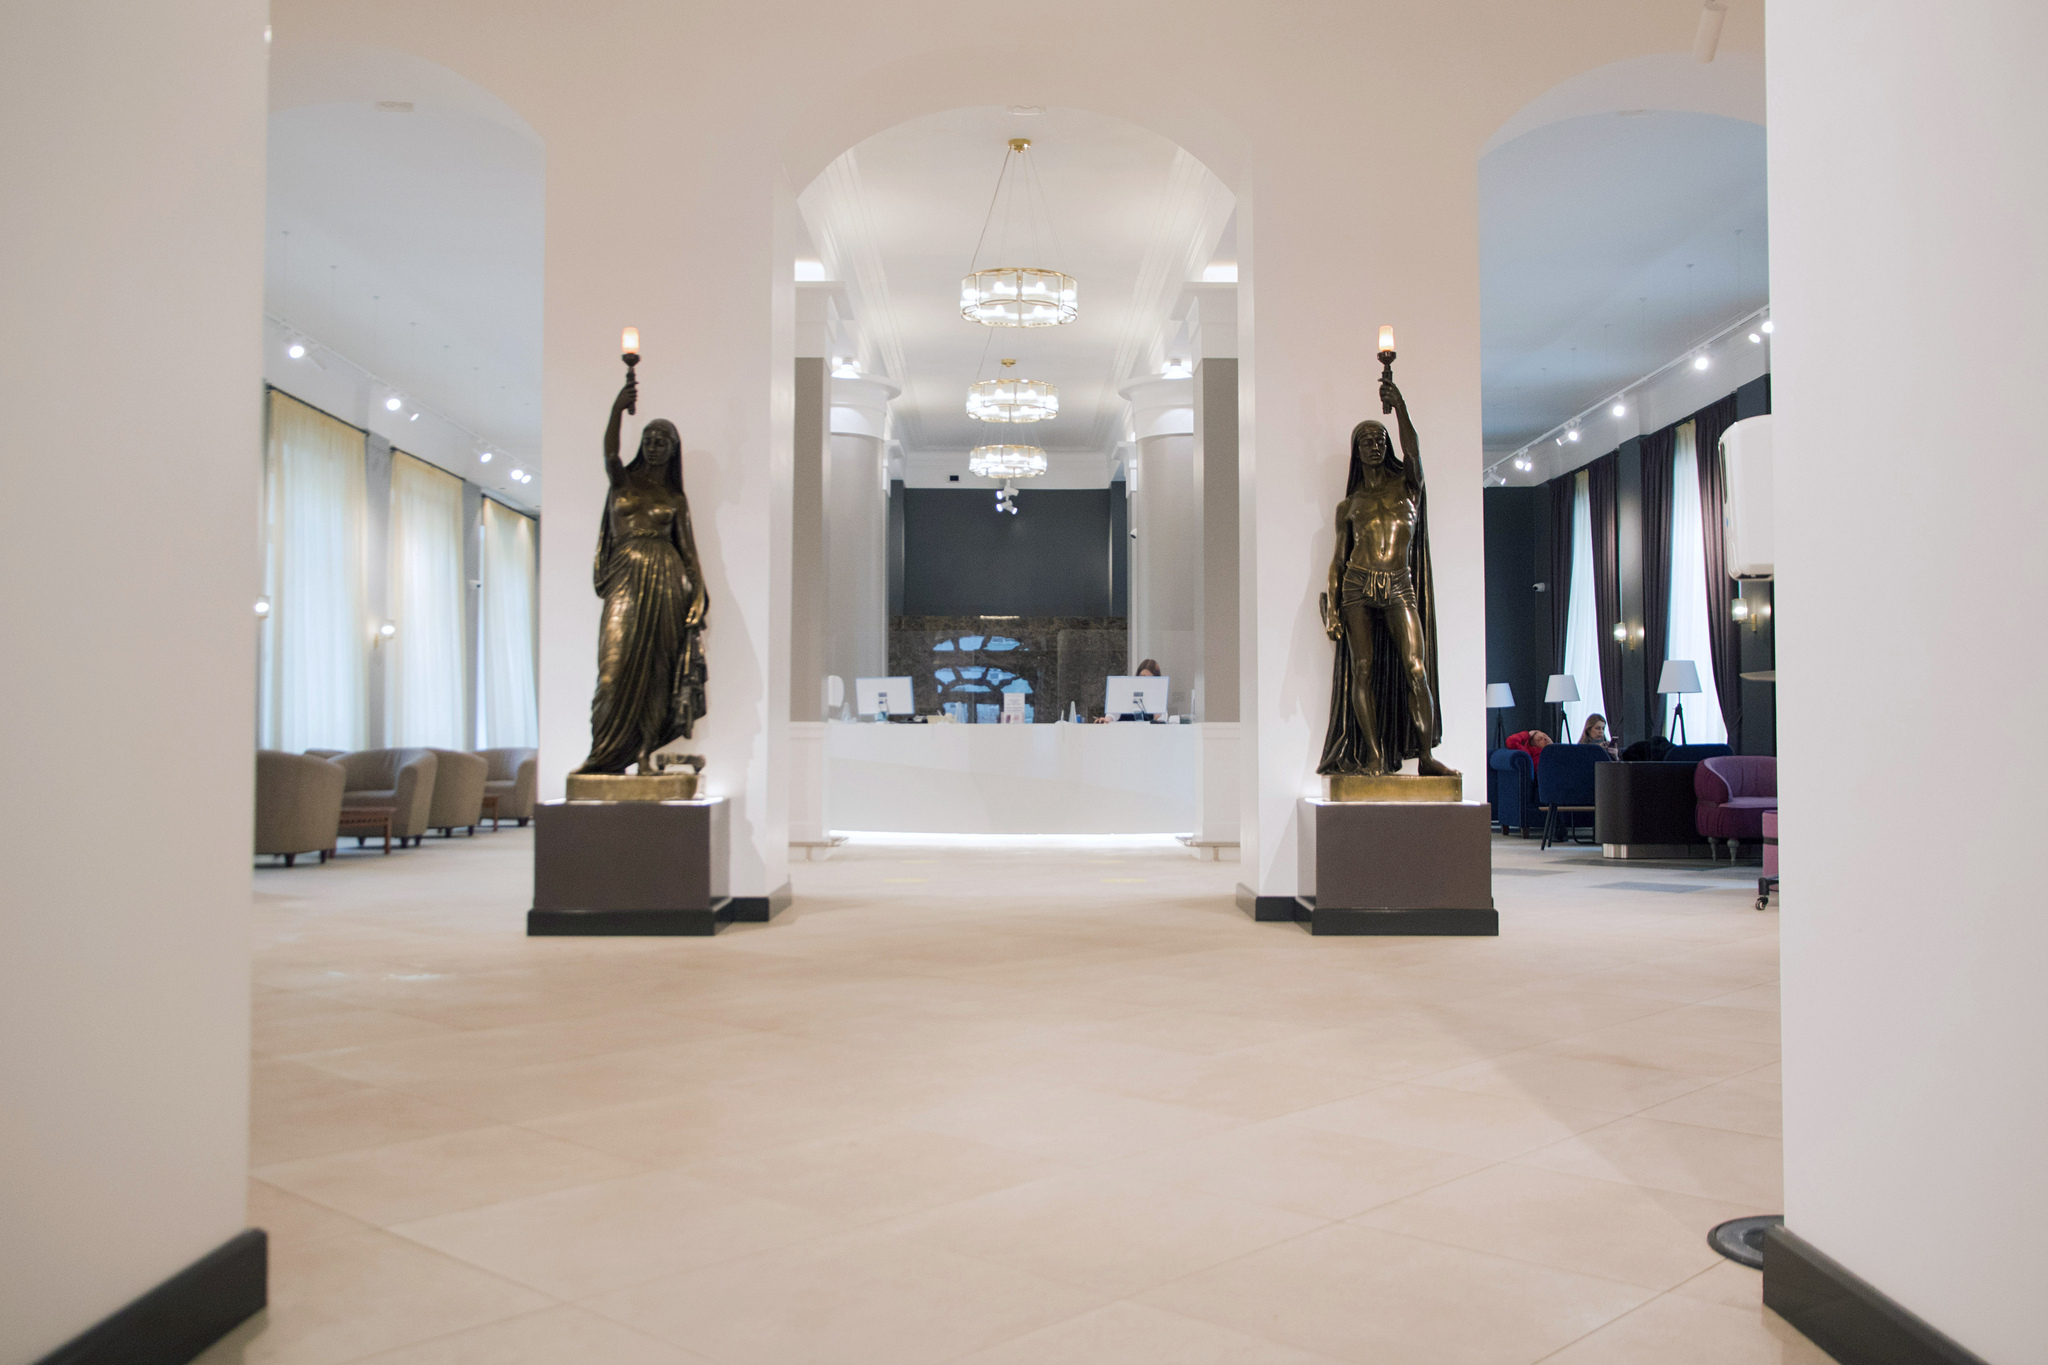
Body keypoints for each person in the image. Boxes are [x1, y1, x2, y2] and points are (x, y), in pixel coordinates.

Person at [1317, 375, 1457, 780]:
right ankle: (1375, 756)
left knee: (1416, 668)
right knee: (1362, 669)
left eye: (1380, 440)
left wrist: (1400, 407)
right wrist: (1331, 609)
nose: (1375, 445)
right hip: (1357, 584)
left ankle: (1425, 756)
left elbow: (1413, 452)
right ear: (1357, 452)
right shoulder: (1350, 505)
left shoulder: (1408, 488)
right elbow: (1337, 561)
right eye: (1366, 441)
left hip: (1398, 582)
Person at [575, 374, 709, 775]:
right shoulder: (622, 481)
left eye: (661, 441)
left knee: (657, 672)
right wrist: (617, 408)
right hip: (625, 577)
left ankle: (644, 754)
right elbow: (609, 454)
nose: (653, 446)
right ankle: (602, 757)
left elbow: (689, 552)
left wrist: (698, 595)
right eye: (648, 439)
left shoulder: (675, 498)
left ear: (672, 450)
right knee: (612, 672)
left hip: (667, 582)